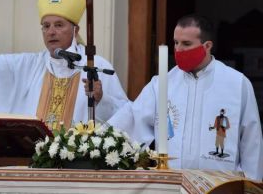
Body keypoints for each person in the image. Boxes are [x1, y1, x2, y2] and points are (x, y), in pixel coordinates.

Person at [108, 15, 263, 180]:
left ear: (207, 46)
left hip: (221, 185)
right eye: (176, 43)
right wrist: (93, 141)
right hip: (173, 185)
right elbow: (132, 119)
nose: (178, 49)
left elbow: (251, 142)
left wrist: (251, 186)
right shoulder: (161, 84)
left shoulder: (237, 84)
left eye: (186, 44)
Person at [0, 0, 128, 130]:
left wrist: (101, 99)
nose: (51, 31)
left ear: (75, 30)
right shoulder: (29, 65)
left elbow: (125, 116)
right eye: (46, 26)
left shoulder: (95, 65)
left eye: (59, 25)